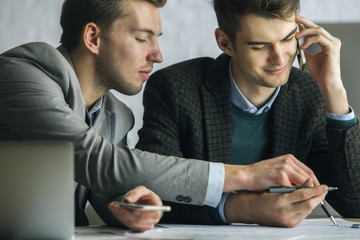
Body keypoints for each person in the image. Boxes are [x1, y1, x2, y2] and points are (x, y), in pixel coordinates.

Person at [0, 0, 318, 231]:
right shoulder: (19, 74)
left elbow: (109, 191)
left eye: (157, 39)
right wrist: (245, 175)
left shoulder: (115, 115)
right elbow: (97, 160)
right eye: (142, 38)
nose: (157, 55)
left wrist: (132, 208)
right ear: (93, 38)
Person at [137, 0, 360, 227]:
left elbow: (354, 204)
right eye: (259, 46)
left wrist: (334, 91)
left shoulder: (307, 92)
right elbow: (150, 193)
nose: (280, 58)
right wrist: (242, 208)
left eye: (287, 39)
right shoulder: (175, 89)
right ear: (225, 42)